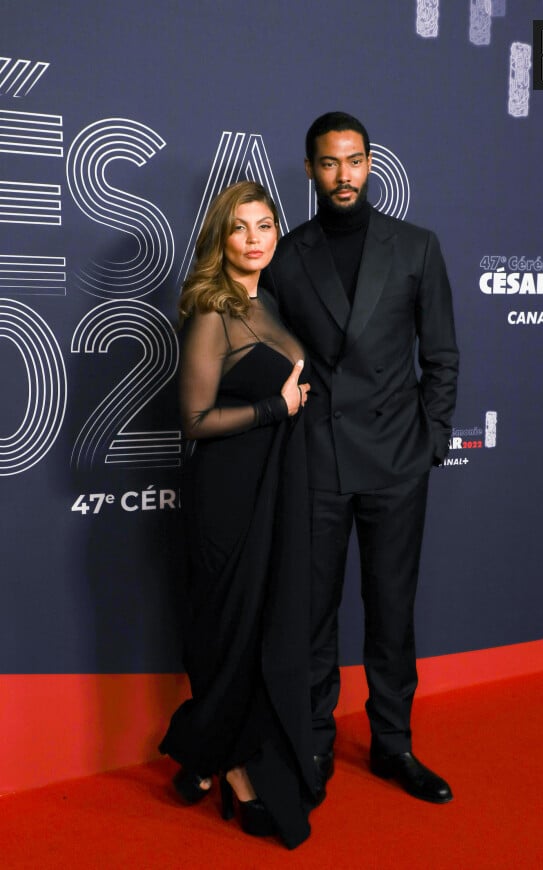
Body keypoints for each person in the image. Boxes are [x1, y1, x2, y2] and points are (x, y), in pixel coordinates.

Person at [262, 112, 459, 805]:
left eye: (354, 161)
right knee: (313, 611)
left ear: (370, 164)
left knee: (391, 609)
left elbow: (440, 355)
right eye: (328, 163)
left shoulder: (416, 247)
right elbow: (267, 358)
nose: (342, 175)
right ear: (310, 169)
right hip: (317, 458)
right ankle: (315, 740)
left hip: (396, 458)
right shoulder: (287, 256)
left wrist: (429, 441)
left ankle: (393, 744)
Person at [159, 181, 316, 849]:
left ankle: (199, 754)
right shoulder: (209, 312)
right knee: (226, 630)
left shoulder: (270, 302)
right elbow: (194, 419)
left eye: (265, 226)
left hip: (271, 491)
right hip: (224, 494)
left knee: (253, 631)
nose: (255, 238)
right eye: (239, 228)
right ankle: (233, 773)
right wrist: (273, 409)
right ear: (219, 239)